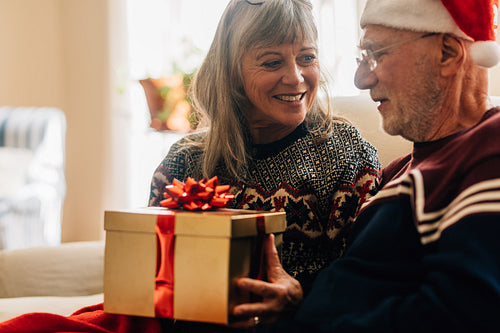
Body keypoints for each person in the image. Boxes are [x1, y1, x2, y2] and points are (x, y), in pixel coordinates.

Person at [231, 0, 500, 331]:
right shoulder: (400, 172)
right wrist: (296, 301)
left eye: (376, 55)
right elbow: (361, 290)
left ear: (447, 54)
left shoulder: (489, 149)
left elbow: (466, 314)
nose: (361, 79)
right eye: (362, 59)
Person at [149, 0, 381, 300]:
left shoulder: (346, 154)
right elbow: (152, 278)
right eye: (272, 62)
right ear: (231, 72)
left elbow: (371, 283)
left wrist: (298, 304)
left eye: (307, 58)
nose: (296, 77)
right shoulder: (183, 163)